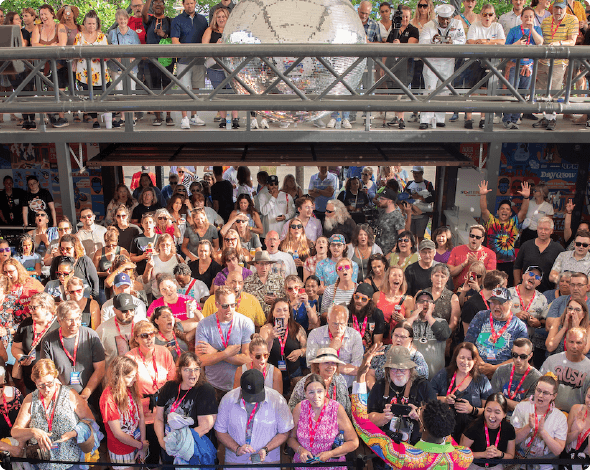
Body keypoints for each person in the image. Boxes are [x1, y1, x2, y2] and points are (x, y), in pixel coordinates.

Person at [351, 344, 475, 470]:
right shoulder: (464, 456)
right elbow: (443, 432)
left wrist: (361, 376)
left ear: (422, 426)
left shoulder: (403, 457)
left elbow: (361, 422)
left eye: (421, 410)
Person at [11, 359, 96, 470]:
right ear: (35, 383)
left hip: (70, 463)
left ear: (55, 377)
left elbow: (91, 421)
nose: (46, 389)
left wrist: (74, 433)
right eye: (41, 385)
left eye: (50, 383)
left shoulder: (70, 395)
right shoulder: (30, 399)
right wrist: (33, 432)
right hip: (42, 463)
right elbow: (15, 432)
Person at [215, 369, 293, 469]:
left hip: (268, 463)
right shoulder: (228, 399)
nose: (252, 399)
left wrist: (266, 449)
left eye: (256, 395)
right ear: (241, 388)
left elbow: (284, 432)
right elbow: (220, 431)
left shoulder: (277, 400)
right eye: (248, 395)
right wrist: (236, 448)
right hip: (236, 463)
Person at [154, 352, 217, 465]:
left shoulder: (205, 390)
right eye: (187, 369)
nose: (193, 374)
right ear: (179, 371)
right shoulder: (169, 387)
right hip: (168, 446)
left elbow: (205, 427)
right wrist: (162, 441)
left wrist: (178, 443)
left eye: (196, 369)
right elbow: (158, 418)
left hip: (191, 450)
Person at [368, 346, 436, 448]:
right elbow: (369, 419)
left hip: (417, 446)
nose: (398, 372)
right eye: (394, 368)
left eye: (403, 368)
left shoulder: (423, 386)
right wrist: (383, 417)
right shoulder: (380, 385)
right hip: (385, 446)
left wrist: (419, 416)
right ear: (388, 370)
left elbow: (436, 420)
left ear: (410, 369)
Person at [195, 286, 254, 401]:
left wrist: (216, 352)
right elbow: (201, 361)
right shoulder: (204, 325)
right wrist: (226, 353)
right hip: (213, 386)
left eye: (233, 305)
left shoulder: (245, 323)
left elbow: (248, 359)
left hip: (239, 386)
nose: (230, 309)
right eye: (225, 306)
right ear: (217, 304)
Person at [288, 373, 359, 469]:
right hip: (304, 464)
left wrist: (331, 453)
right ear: (305, 393)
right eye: (311, 392)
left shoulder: (336, 408)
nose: (316, 396)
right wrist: (301, 450)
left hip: (332, 465)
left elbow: (354, 442)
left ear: (325, 391)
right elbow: (290, 438)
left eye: (319, 391)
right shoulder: (299, 408)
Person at [40, 301, 105, 401]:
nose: (74, 323)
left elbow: (100, 368)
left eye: (77, 319)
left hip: (91, 396)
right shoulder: (48, 340)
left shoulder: (91, 336)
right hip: (62, 397)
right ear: (59, 320)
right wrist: (66, 395)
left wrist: (87, 392)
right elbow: (48, 373)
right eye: (70, 320)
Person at [532, 0, 578, 131]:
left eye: (561, 9)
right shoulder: (546, 21)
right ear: (552, 8)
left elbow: (572, 41)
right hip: (542, 62)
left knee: (554, 91)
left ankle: (552, 119)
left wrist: (558, 43)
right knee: (541, 91)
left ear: (566, 9)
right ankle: (546, 117)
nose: (558, 11)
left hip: (559, 62)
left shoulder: (572, 19)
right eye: (556, 8)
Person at [432, 342, 493, 441]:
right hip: (443, 428)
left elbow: (489, 411)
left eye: (469, 359)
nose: (465, 362)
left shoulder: (482, 380)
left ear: (475, 361)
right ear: (455, 358)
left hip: (471, 434)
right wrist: (444, 399)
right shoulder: (444, 374)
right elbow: (428, 398)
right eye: (462, 357)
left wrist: (472, 409)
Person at [419, 4, 466, 129]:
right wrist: (432, 40)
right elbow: (422, 42)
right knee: (429, 89)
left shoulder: (458, 24)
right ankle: (425, 119)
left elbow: (462, 41)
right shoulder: (429, 25)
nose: (445, 22)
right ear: (438, 17)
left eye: (448, 19)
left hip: (448, 62)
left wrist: (453, 42)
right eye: (442, 19)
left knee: (444, 90)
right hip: (431, 62)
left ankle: (440, 118)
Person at [465, 287, 528, 379]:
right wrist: (480, 362)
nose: (496, 306)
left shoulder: (519, 326)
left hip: (504, 374)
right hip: (476, 367)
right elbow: (468, 343)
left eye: (501, 303)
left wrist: (494, 368)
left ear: (510, 304)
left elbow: (522, 357)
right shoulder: (481, 316)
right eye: (493, 302)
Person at [99, 356, 148, 468]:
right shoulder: (108, 398)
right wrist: (141, 445)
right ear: (119, 377)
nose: (135, 379)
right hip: (121, 449)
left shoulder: (131, 387)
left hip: (137, 443)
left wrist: (142, 443)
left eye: (135, 375)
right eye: (130, 376)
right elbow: (118, 433)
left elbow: (141, 416)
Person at [480, 180, 531, 285]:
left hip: (508, 264)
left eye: (507, 209)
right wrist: (483, 195)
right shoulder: (491, 221)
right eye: (502, 208)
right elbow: (484, 210)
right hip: (491, 262)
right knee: (489, 286)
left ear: (510, 213)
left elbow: (524, 212)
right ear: (497, 212)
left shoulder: (514, 223)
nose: (504, 210)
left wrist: (526, 198)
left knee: (505, 288)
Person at [511, 373, 567, 465]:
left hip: (545, 465)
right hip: (520, 462)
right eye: (538, 390)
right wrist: (529, 426)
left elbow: (558, 451)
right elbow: (513, 440)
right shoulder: (521, 407)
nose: (540, 395)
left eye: (545, 393)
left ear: (554, 396)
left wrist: (542, 432)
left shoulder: (560, 417)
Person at [307, 305, 363, 388]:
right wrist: (331, 349)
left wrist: (328, 367)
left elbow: (357, 369)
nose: (339, 328)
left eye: (342, 324)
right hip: (321, 386)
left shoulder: (355, 336)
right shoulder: (315, 334)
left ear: (347, 321)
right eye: (335, 324)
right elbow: (312, 366)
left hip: (347, 387)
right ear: (328, 320)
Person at [172, 0, 208, 129]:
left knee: (196, 89)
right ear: (183, 4)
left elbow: (206, 39)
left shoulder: (203, 20)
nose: (189, 5)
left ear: (195, 3)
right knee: (184, 90)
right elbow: (175, 41)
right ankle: (184, 118)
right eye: (187, 3)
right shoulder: (177, 20)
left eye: (192, 3)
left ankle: (194, 116)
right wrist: (188, 51)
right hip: (183, 61)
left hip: (199, 61)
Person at [11, 293, 58, 392]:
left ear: (46, 308)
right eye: (30, 307)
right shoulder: (26, 324)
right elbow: (15, 347)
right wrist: (21, 357)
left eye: (34, 308)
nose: (30, 311)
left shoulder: (59, 325)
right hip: (31, 382)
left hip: (53, 383)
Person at [259, 298, 307, 392]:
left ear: (289, 314)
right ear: (273, 313)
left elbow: (307, 349)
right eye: (278, 310)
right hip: (273, 373)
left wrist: (300, 352)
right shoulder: (266, 329)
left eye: (285, 310)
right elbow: (262, 354)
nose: (282, 313)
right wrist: (270, 338)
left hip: (294, 373)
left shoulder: (298, 328)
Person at [73, 11, 111, 129]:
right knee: (89, 96)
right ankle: (95, 120)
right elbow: (73, 54)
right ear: (84, 23)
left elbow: (107, 55)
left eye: (93, 24)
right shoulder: (78, 36)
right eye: (89, 23)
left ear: (97, 24)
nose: (91, 26)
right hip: (84, 72)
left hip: (100, 71)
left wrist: (97, 56)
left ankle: (110, 118)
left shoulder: (102, 36)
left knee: (107, 94)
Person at [459, 393, 516, 467]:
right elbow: (461, 454)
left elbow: (511, 456)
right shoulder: (473, 427)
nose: (492, 416)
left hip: (497, 466)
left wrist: (500, 454)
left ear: (504, 414)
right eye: (488, 411)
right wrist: (483, 454)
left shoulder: (508, 429)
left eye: (497, 412)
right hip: (474, 465)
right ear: (484, 410)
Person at [541, 327, 590, 412]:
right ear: (565, 342)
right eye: (571, 342)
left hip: (576, 415)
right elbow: (538, 385)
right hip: (549, 411)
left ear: (585, 344)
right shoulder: (552, 361)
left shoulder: (588, 367)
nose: (574, 346)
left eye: (579, 343)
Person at [289, 348, 351, 415]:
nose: (330, 366)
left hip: (338, 422)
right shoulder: (305, 382)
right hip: (312, 423)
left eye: (333, 363)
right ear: (318, 365)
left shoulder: (340, 380)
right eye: (326, 362)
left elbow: (347, 408)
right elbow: (291, 408)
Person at [508, 266, 549, 367]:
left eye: (537, 277)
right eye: (530, 274)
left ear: (539, 283)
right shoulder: (508, 293)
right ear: (523, 275)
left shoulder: (542, 299)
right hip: (506, 341)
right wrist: (513, 316)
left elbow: (546, 321)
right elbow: (494, 314)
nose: (533, 278)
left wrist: (538, 323)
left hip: (528, 348)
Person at [406, 290, 451, 378]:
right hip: (411, 378)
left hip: (436, 378)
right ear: (415, 305)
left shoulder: (442, 322)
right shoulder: (408, 322)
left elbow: (444, 335)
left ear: (433, 306)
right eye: (421, 301)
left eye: (429, 301)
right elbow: (398, 336)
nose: (425, 303)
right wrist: (412, 318)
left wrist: (429, 317)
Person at [490, 338, 542, 412]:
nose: (518, 359)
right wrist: (516, 404)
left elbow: (525, 409)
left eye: (523, 356)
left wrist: (502, 398)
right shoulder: (500, 370)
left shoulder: (537, 378)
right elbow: (493, 401)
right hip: (499, 416)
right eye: (515, 355)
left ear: (530, 355)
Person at [514, 216, 564, 292]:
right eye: (540, 228)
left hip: (547, 291)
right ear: (537, 229)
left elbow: (561, 273)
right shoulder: (526, 245)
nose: (543, 232)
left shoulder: (558, 249)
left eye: (546, 229)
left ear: (551, 231)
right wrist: (517, 284)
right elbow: (517, 267)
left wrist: (555, 291)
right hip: (525, 289)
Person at [48, 235, 99, 300]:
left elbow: (95, 281)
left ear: (75, 248)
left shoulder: (84, 260)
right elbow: (53, 279)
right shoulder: (56, 261)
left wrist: (93, 298)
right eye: (62, 248)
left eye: (68, 248)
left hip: (81, 296)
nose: (64, 251)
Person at [96, 293, 138, 366]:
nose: (129, 313)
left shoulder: (140, 325)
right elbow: (97, 360)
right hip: (113, 375)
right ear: (114, 310)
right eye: (124, 311)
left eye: (131, 309)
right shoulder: (103, 329)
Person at [374, 180, 412, 255]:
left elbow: (401, 239)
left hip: (390, 255)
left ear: (389, 201)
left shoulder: (397, 217)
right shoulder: (382, 212)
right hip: (379, 253)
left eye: (382, 199)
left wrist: (390, 254)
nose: (379, 200)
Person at [3, 258, 44, 325]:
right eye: (5, 272)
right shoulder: (4, 286)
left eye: (10, 271)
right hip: (11, 322)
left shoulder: (32, 283)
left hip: (31, 320)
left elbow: (44, 300)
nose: (8, 275)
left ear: (18, 270)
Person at [93, 228, 129, 305]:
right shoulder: (99, 253)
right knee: (105, 303)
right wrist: (105, 274)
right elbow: (93, 272)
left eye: (114, 245)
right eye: (108, 246)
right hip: (103, 283)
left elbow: (129, 267)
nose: (111, 248)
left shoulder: (123, 251)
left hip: (119, 282)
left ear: (117, 242)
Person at [243, 251, 285, 316]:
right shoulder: (247, 282)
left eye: (267, 264)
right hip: (256, 320)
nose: (264, 267)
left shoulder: (279, 280)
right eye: (261, 264)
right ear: (255, 264)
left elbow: (286, 300)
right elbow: (244, 303)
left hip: (275, 317)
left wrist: (276, 300)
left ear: (270, 265)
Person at [143, 234, 182, 299]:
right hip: (157, 297)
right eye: (162, 244)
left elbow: (184, 277)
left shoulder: (178, 258)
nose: (165, 247)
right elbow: (145, 281)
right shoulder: (153, 259)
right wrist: (148, 268)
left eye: (167, 244)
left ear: (171, 246)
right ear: (158, 246)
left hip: (174, 296)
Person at [347, 283, 385, 349]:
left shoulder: (377, 314)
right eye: (357, 297)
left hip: (369, 353)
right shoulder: (345, 311)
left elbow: (377, 344)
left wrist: (367, 356)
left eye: (364, 299)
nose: (359, 301)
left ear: (370, 301)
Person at [403, 167, 435, 242]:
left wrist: (420, 197)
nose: (415, 175)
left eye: (417, 173)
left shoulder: (428, 184)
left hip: (422, 215)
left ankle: (420, 252)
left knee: (420, 236)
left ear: (422, 173)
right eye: (414, 173)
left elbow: (433, 198)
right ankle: (414, 251)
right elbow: (403, 196)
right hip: (411, 214)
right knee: (411, 236)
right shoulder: (410, 183)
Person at [562, 382, 590, 464]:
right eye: (589, 397)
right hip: (567, 458)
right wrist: (577, 431)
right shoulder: (576, 409)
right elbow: (564, 441)